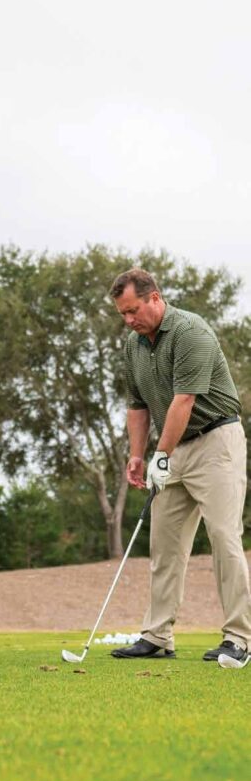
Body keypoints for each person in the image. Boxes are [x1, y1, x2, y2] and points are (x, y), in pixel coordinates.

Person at [109, 267, 251, 663]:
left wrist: (161, 454)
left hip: (215, 442)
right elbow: (138, 406)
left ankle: (239, 638)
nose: (129, 320)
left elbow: (183, 401)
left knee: (224, 539)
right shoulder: (133, 346)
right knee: (165, 545)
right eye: (123, 314)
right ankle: (157, 636)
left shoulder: (191, 331)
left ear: (155, 298)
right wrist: (138, 455)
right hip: (173, 449)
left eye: (134, 310)